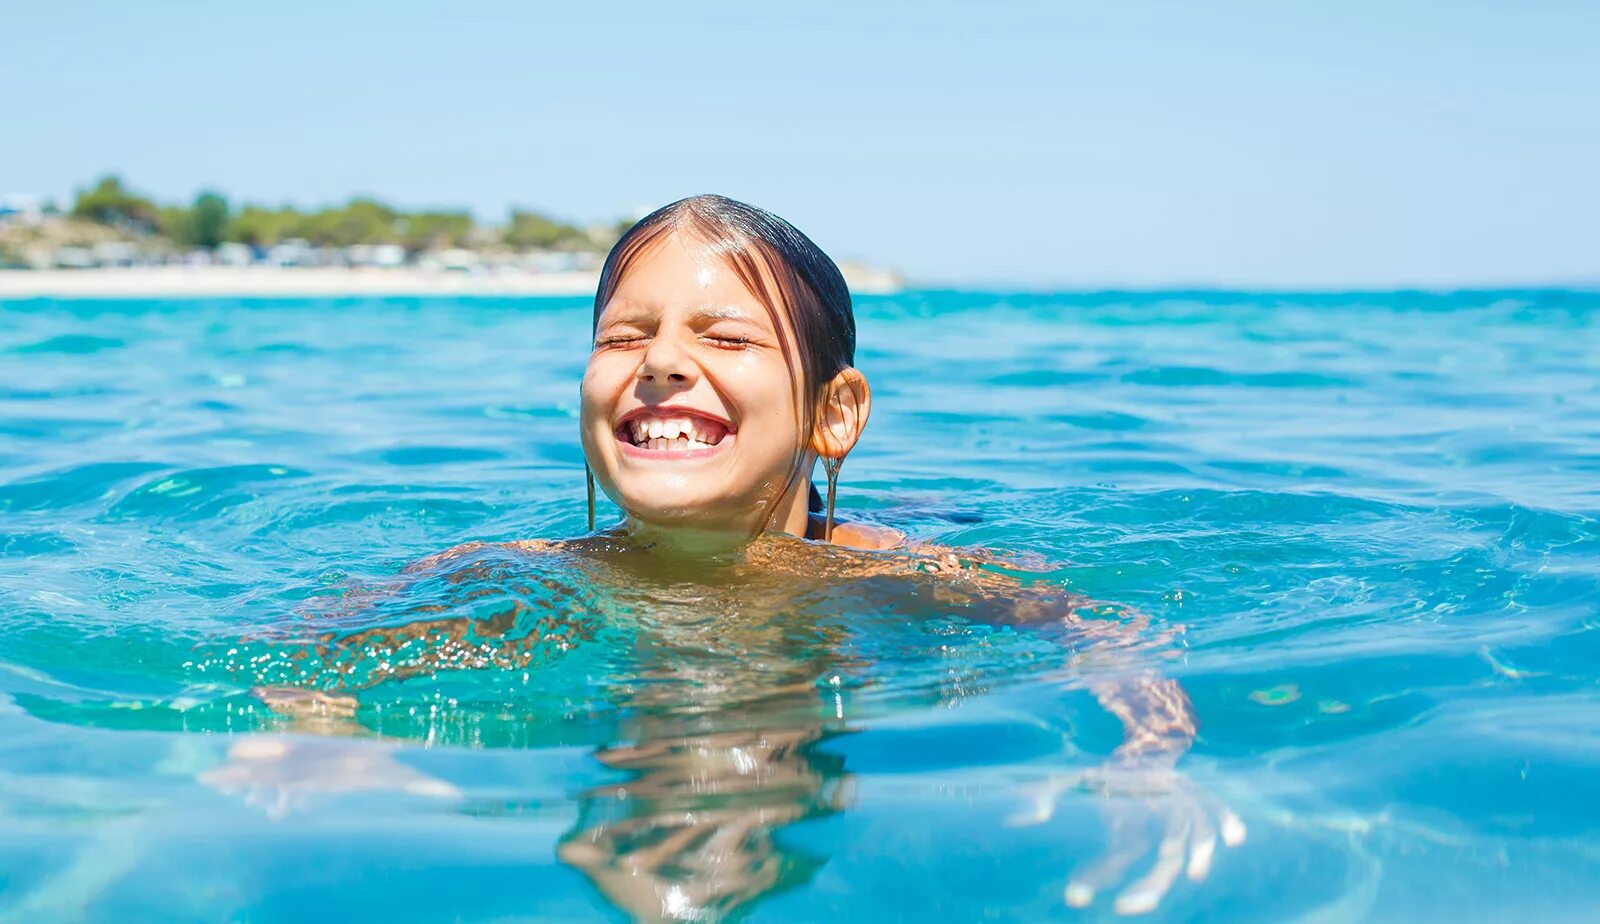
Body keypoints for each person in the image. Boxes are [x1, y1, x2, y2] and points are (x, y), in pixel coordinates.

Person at [208, 195, 1242, 919]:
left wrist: (1148, 767)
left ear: (832, 414)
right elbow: (316, 638)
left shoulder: (893, 574)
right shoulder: (520, 569)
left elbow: (1111, 635)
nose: (660, 362)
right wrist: (313, 728)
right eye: (623, 337)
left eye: (728, 340)